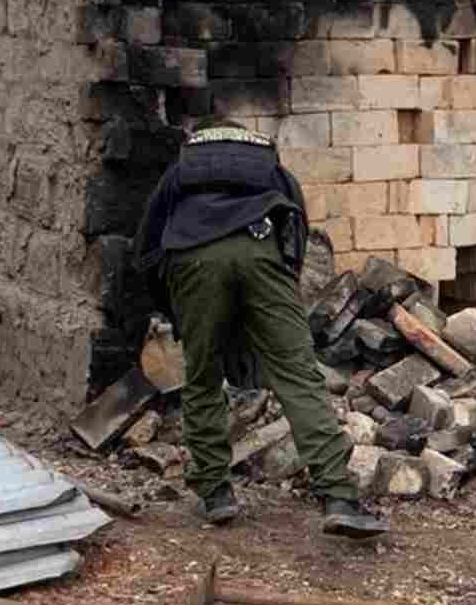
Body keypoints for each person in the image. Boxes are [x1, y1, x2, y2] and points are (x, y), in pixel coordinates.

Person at [131, 118, 387, 538]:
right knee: (297, 374)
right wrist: (285, 278)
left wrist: (170, 305)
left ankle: (216, 494)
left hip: (193, 260)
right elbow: (298, 225)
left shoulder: (182, 168)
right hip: (262, 252)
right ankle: (339, 498)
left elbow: (147, 243)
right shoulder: (266, 164)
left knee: (202, 376)